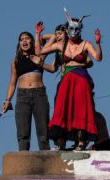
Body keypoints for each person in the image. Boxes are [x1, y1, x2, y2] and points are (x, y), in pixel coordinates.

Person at [36, 11, 103, 150]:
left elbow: (97, 58)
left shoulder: (85, 43)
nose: (74, 31)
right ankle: (61, 143)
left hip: (81, 79)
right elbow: (39, 52)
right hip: (66, 80)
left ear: (81, 29)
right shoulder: (61, 45)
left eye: (77, 29)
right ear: (67, 29)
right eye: (71, 28)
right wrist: (39, 35)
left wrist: (98, 43)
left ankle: (81, 142)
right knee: (62, 109)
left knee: (81, 110)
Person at [2, 31, 53, 151]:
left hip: (39, 94)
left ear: (32, 41)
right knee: (23, 133)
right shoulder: (15, 61)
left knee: (43, 132)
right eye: (21, 39)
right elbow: (12, 83)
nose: (24, 41)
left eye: (27, 38)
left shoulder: (39, 55)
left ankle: (46, 160)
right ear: (19, 43)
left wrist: (39, 36)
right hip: (22, 97)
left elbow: (54, 38)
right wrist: (7, 100)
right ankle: (24, 161)